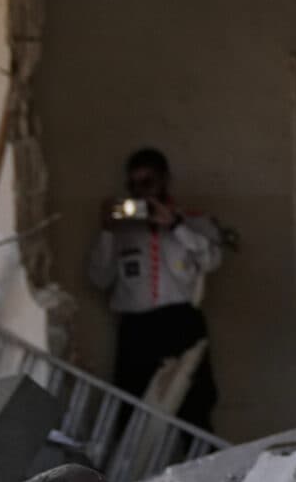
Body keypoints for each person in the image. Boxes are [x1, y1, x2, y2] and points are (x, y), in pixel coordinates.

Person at [85, 146, 225, 430]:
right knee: (131, 409)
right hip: (137, 328)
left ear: (164, 180)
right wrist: (107, 231)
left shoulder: (194, 221)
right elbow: (99, 279)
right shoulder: (120, 229)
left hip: (181, 322)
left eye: (148, 183)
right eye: (133, 185)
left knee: (194, 406)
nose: (141, 192)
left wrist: (175, 226)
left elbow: (212, 260)